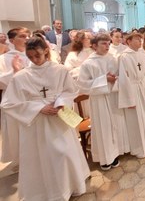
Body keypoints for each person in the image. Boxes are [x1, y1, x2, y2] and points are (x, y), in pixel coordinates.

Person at [0, 36, 90, 200]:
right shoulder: (21, 76)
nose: (35, 60)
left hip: (59, 119)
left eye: (38, 56)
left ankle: (69, 186)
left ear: (46, 51)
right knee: (41, 159)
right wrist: (38, 107)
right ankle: (45, 192)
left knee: (63, 154)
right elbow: (7, 103)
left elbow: (70, 90)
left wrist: (62, 102)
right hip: (36, 124)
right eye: (31, 57)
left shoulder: (60, 70)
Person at [78, 34, 129, 170]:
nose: (107, 46)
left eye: (108, 43)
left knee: (115, 125)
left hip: (113, 96)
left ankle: (115, 153)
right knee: (103, 128)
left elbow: (119, 74)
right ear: (94, 46)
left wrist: (116, 78)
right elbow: (82, 85)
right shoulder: (88, 63)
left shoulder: (112, 58)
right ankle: (104, 158)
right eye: (103, 44)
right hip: (99, 100)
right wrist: (104, 79)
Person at [118, 33, 145, 158]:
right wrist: (128, 99)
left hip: (143, 87)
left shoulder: (143, 54)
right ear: (128, 41)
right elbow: (123, 80)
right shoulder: (123, 57)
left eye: (140, 40)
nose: (140, 42)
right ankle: (138, 148)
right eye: (137, 40)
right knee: (135, 119)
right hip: (132, 89)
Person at [0, 27, 31, 164]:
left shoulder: (33, 55)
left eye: (28, 36)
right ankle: (20, 160)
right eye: (22, 36)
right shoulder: (4, 58)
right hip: (14, 99)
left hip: (32, 98)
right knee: (16, 130)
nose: (27, 39)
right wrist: (13, 71)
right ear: (12, 40)